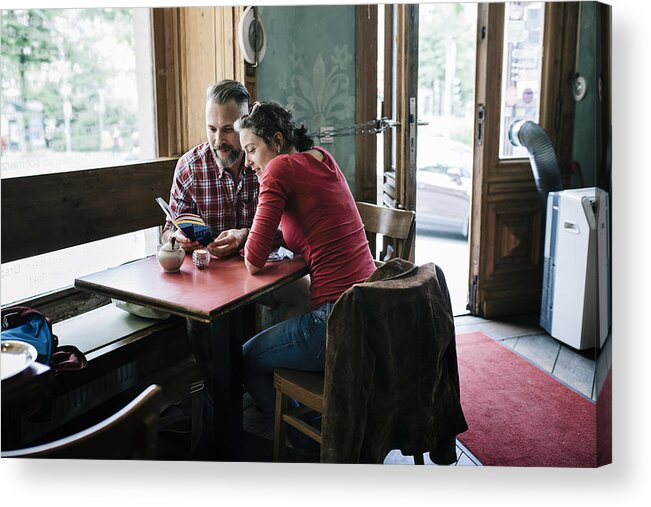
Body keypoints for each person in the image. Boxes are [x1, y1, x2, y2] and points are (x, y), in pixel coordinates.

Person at [237, 101, 377, 459]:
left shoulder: (280, 168)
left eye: (252, 150)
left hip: (336, 321)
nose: (248, 162)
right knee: (283, 327)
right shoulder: (320, 157)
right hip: (371, 312)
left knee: (246, 360)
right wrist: (246, 234)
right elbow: (305, 229)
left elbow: (253, 261)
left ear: (278, 141)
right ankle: (321, 431)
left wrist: (247, 240)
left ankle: (309, 452)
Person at [162, 79, 258, 257]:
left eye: (228, 129)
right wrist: (177, 238)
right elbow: (168, 231)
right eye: (212, 129)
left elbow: (287, 229)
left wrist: (246, 235)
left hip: (260, 272)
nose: (218, 140)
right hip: (208, 276)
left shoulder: (264, 162)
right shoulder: (189, 168)